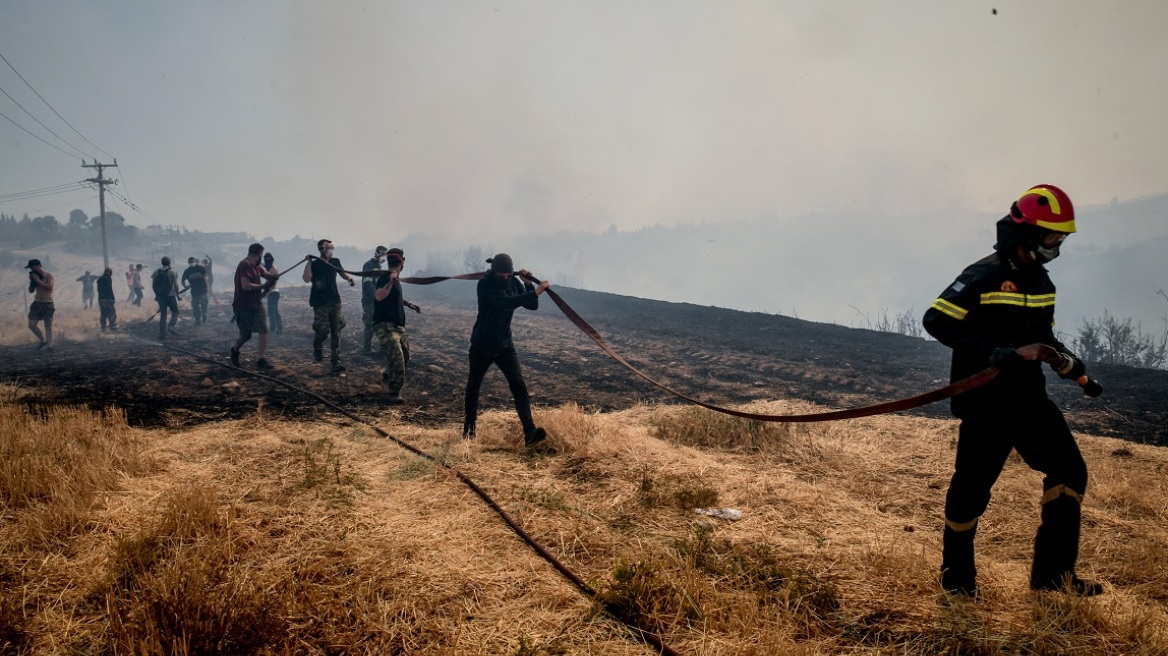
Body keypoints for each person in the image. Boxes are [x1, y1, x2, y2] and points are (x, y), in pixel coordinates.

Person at [923, 184, 1102, 598]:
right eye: (1051, 236)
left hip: (1029, 399)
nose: (1056, 245)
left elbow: (1043, 337)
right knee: (971, 490)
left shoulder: (1042, 283)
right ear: (1027, 232)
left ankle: (1053, 579)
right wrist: (990, 350)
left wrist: (1067, 360)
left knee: (1069, 471)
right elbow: (937, 320)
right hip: (985, 403)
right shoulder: (983, 274)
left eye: (1061, 238)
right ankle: (957, 580)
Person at [463, 253, 551, 447]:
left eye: (507, 274)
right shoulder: (485, 284)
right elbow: (506, 303)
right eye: (501, 274)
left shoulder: (512, 280)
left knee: (518, 385)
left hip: (504, 344)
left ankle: (530, 433)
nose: (505, 277)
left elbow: (531, 305)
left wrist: (528, 284)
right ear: (494, 271)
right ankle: (469, 430)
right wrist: (536, 291)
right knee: (474, 386)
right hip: (482, 344)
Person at [372, 251, 421, 404]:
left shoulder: (395, 279)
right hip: (385, 325)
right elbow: (379, 296)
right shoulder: (386, 278)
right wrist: (391, 282)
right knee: (398, 358)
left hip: (398, 326)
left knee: (405, 356)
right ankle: (394, 393)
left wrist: (409, 304)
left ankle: (389, 374)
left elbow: (395, 297)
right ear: (402, 262)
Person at [303, 238, 355, 372]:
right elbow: (306, 279)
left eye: (332, 247)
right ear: (321, 249)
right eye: (328, 247)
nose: (330, 250)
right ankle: (318, 344)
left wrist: (349, 278)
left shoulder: (335, 262)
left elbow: (342, 272)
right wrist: (308, 262)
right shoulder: (314, 264)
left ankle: (335, 360)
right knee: (323, 330)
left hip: (334, 301)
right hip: (320, 302)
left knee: (336, 330)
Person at [231, 243, 278, 369]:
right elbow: (245, 286)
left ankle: (261, 359)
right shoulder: (244, 264)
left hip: (256, 304)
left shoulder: (257, 266)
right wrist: (263, 286)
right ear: (258, 254)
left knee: (263, 330)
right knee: (246, 335)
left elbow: (266, 274)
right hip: (243, 306)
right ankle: (235, 350)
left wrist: (273, 277)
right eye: (261, 254)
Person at [361, 245, 389, 354]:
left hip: (378, 300)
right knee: (370, 324)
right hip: (369, 300)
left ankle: (383, 348)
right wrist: (376, 294)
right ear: (377, 253)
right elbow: (367, 283)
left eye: (385, 255)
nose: (384, 257)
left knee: (381, 323)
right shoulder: (368, 265)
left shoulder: (379, 266)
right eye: (383, 254)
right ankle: (366, 349)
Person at [25, 259, 55, 351]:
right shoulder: (35, 276)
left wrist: (38, 280)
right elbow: (31, 291)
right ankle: (43, 341)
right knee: (31, 324)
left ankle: (50, 346)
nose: (31, 269)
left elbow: (49, 287)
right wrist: (32, 282)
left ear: (38, 265)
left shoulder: (48, 275)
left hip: (47, 303)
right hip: (37, 302)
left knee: (48, 326)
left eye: (32, 267)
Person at [152, 257, 181, 340]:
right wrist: (178, 295)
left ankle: (162, 333)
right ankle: (171, 326)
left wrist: (157, 295)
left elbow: (153, 285)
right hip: (171, 296)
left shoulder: (156, 272)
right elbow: (176, 285)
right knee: (175, 312)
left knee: (163, 314)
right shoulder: (172, 272)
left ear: (162, 263)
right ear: (169, 263)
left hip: (161, 297)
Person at [182, 257, 210, 325]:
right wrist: (185, 286)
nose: (191, 263)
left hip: (203, 290)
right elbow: (182, 280)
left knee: (204, 305)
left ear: (195, 262)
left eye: (192, 262)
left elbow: (206, 277)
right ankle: (197, 321)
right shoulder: (187, 271)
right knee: (195, 307)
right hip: (194, 292)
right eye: (190, 262)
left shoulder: (201, 268)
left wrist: (203, 277)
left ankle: (204, 316)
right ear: (188, 263)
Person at [263, 252, 284, 336]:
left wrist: (266, 291)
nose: (267, 261)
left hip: (274, 293)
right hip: (271, 293)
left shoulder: (273, 269)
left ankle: (273, 329)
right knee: (274, 311)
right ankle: (279, 329)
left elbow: (272, 282)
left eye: (269, 259)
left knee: (272, 312)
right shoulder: (267, 268)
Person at [97, 267, 117, 331]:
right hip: (107, 299)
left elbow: (99, 290)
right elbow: (109, 289)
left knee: (103, 313)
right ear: (109, 272)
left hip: (101, 298)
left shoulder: (99, 279)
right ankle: (112, 326)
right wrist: (112, 298)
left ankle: (103, 327)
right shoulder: (108, 278)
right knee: (112, 312)